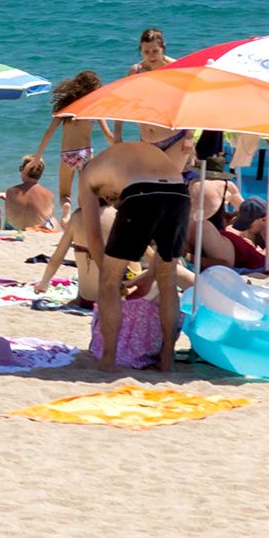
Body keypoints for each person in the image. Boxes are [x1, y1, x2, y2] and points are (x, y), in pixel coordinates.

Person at [80, 130, 197, 369]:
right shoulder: (134, 154)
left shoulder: (87, 174)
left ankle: (108, 359)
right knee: (168, 280)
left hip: (143, 192)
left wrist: (109, 277)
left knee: (108, 283)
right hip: (178, 191)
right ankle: (167, 358)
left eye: (111, 199)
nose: (112, 202)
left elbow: (93, 236)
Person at [29, 70, 111, 219]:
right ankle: (83, 217)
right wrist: (118, 146)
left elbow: (48, 133)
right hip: (85, 154)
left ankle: (66, 208)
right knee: (85, 191)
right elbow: (107, 134)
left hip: (67, 154)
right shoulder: (95, 108)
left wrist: (37, 157)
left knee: (64, 193)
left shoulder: (66, 108)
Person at [2, 156, 56, 231]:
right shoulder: (49, 194)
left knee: (9, 219)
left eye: (21, 168)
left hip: (13, 229)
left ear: (24, 170)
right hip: (36, 230)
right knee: (53, 220)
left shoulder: (10, 191)